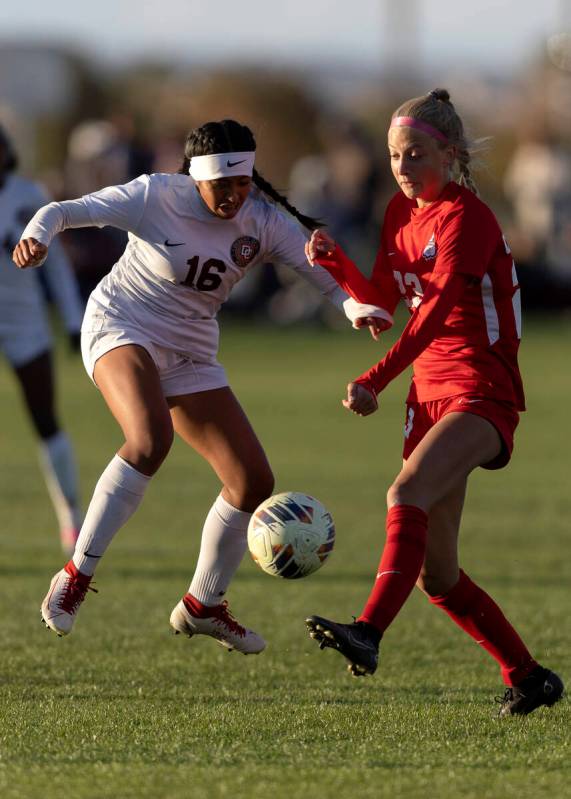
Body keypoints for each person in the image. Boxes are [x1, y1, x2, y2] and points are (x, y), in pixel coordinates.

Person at [13, 119, 390, 655]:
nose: (234, 196)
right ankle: (75, 574)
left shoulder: (262, 219)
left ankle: (202, 606)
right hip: (122, 324)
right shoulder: (154, 195)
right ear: (195, 179)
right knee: (149, 440)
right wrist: (36, 236)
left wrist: (355, 307)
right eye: (222, 187)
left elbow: (319, 270)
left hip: (190, 348)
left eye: (242, 183)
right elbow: (64, 211)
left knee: (252, 479)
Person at [304, 90, 564, 717]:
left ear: (448, 155)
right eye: (394, 155)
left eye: (415, 154)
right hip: (430, 395)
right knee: (438, 576)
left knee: (405, 494)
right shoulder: (400, 211)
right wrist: (336, 263)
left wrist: (374, 379)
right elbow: (382, 305)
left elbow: (438, 314)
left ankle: (366, 633)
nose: (402, 166)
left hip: (481, 390)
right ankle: (530, 678)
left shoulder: (466, 219)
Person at [0, 124, 84, 554]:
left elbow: (56, 267)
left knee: (44, 417)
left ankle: (72, 517)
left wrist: (73, 319)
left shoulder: (28, 195)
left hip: (24, 322)